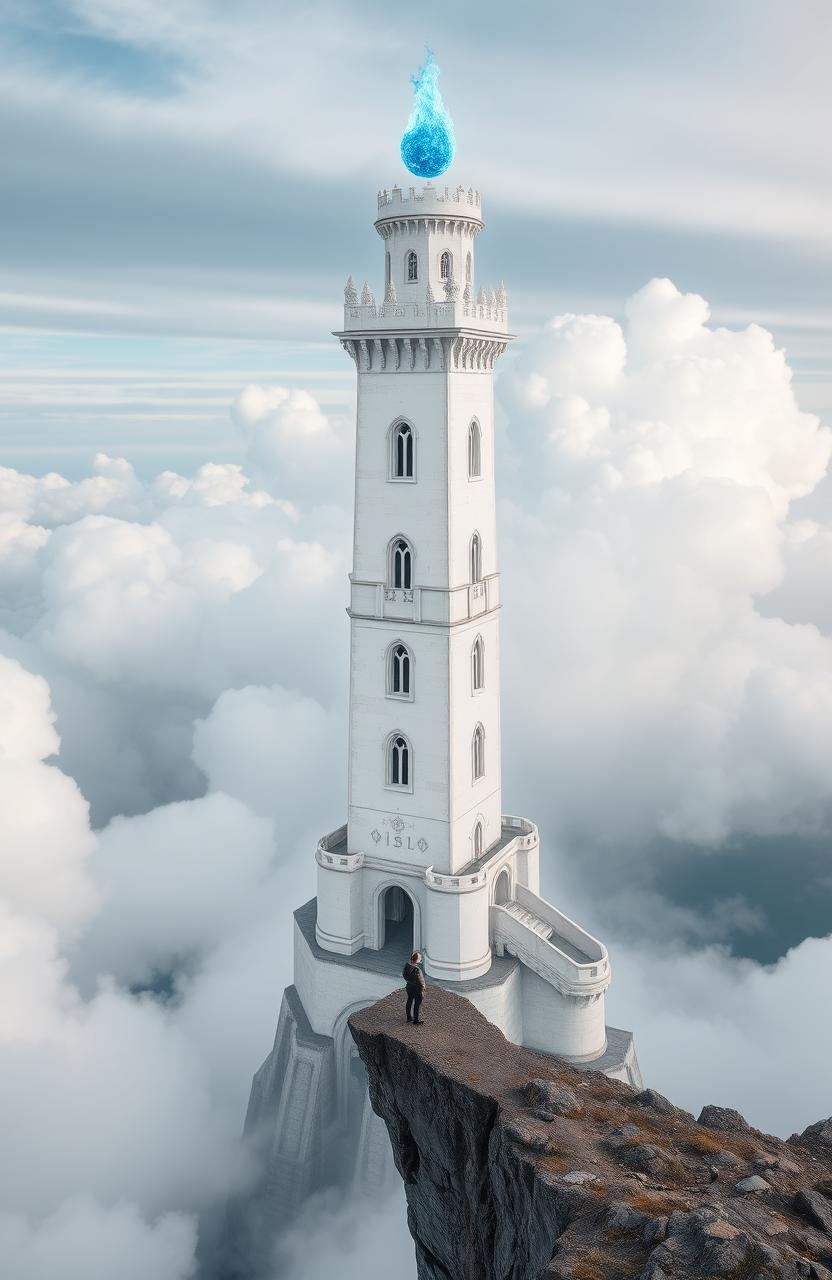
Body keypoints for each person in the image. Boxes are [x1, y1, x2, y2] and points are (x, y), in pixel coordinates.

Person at [402, 950, 426, 1025]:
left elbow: (404, 975)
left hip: (409, 986)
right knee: (417, 1004)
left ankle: (409, 1017)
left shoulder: (406, 965)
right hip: (417, 988)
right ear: (417, 959)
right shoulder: (417, 970)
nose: (421, 959)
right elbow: (421, 980)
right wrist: (423, 987)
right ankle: (416, 1020)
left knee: (409, 1001)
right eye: (420, 958)